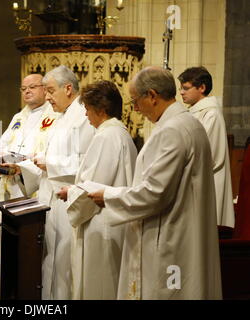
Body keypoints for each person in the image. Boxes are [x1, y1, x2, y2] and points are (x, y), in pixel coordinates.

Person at [87, 67, 222, 299]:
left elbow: (154, 193)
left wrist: (107, 197)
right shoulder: (186, 123)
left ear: (152, 95)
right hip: (179, 229)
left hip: (171, 238)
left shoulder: (173, 130)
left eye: (136, 101)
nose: (135, 109)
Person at [56, 80, 137, 300]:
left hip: (102, 224)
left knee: (99, 286)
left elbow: (93, 187)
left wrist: (69, 192)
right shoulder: (120, 133)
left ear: (101, 110)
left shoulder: (106, 136)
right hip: (112, 220)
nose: (85, 115)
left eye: (88, 109)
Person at [24, 65, 95, 299]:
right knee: (50, 259)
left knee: (65, 263)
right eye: (45, 91)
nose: (47, 97)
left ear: (68, 88)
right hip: (50, 197)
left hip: (67, 199)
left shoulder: (83, 116)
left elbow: (86, 162)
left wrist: (50, 162)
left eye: (51, 91)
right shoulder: (61, 116)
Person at [0, 73, 58, 299]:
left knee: (32, 249)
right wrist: (3, 157)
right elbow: (2, 145)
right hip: (12, 187)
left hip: (34, 187)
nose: (27, 92)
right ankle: (12, 292)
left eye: (32, 87)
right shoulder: (17, 117)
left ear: (44, 89)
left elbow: (50, 153)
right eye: (23, 88)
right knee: (11, 246)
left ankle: (30, 293)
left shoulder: (55, 117)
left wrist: (25, 165)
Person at [178, 66, 235, 228]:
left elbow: (210, 155)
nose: (181, 92)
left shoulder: (211, 114)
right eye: (181, 88)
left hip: (207, 184)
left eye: (186, 88)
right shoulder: (195, 112)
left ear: (202, 88)